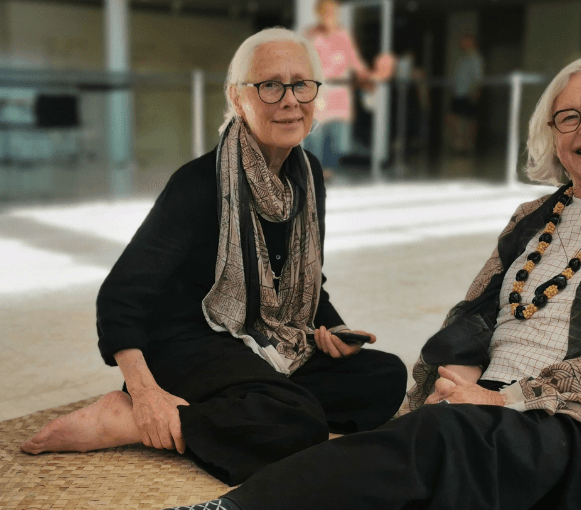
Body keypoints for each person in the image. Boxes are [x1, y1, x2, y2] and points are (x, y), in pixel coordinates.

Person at [164, 54, 581, 510]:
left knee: (441, 446)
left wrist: (505, 398)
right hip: (489, 400)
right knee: (432, 454)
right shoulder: (534, 216)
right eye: (568, 117)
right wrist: (459, 374)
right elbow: (475, 311)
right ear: (553, 136)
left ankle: (235, 509)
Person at [20, 27, 408, 487]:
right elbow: (120, 297)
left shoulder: (309, 174)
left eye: (301, 84)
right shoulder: (199, 183)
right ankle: (126, 419)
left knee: (384, 377)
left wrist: (333, 329)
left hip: (267, 337)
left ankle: (250, 404)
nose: (289, 100)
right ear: (237, 97)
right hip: (186, 339)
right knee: (298, 422)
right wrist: (144, 393)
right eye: (269, 85)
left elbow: (306, 281)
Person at [303, 0, 393, 176]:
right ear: (319, 13)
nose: (331, 14)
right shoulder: (311, 35)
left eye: (333, 11)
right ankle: (314, 174)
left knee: (337, 140)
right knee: (315, 137)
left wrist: (370, 75)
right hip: (318, 92)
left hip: (339, 94)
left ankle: (327, 173)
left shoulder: (344, 35)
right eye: (326, 11)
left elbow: (355, 61)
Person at [446, 34, 484, 154]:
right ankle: (459, 143)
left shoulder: (475, 58)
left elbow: (478, 78)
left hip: (468, 93)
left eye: (464, 42)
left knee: (470, 120)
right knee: (454, 118)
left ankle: (467, 146)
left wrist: (475, 93)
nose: (461, 44)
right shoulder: (463, 59)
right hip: (459, 93)